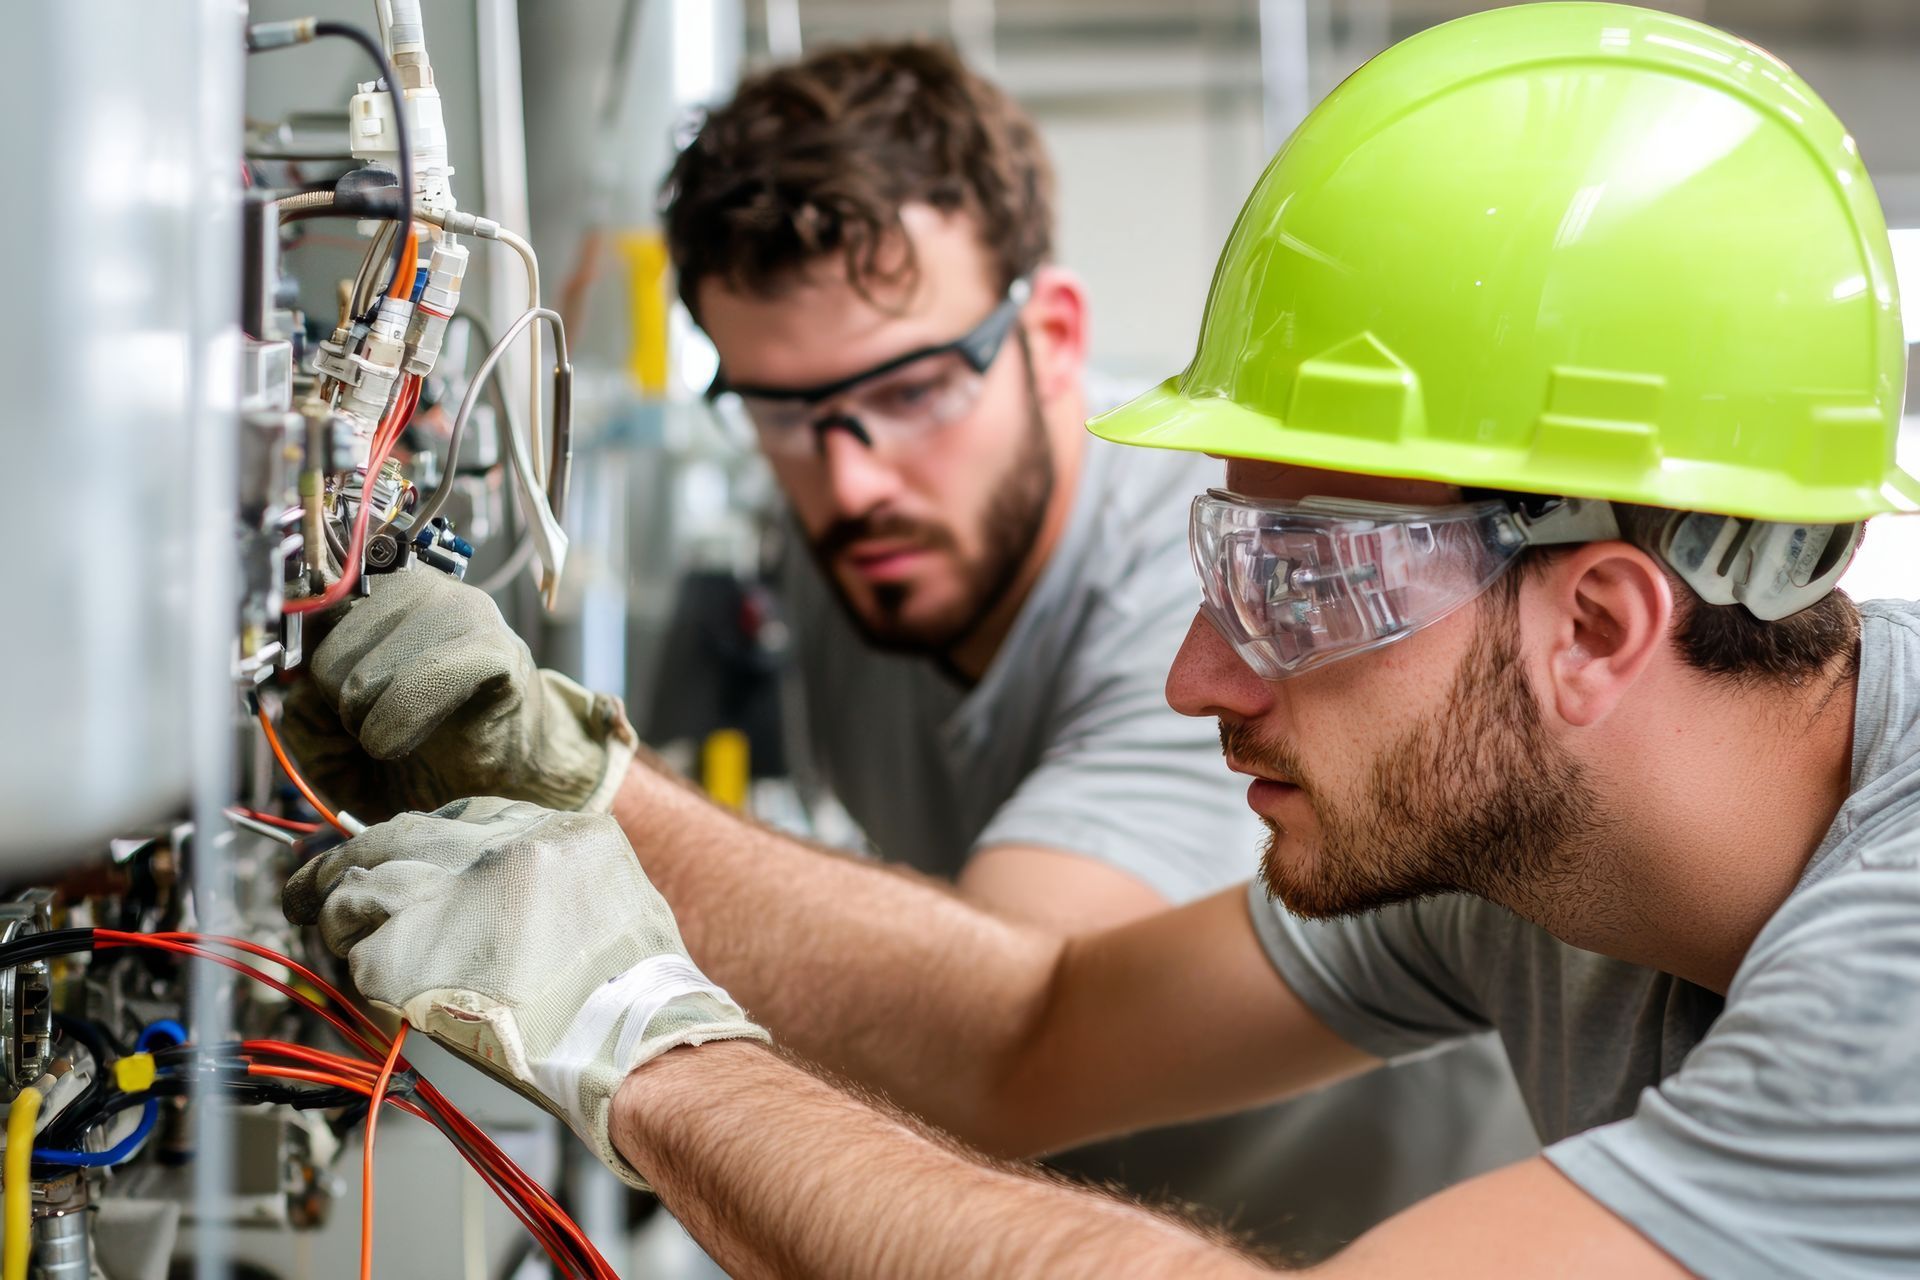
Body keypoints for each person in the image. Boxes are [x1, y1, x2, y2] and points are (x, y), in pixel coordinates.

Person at [282, 5, 1920, 1277]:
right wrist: (573, 781)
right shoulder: (1532, 865)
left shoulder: (1891, 1000)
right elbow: (1032, 1034)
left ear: (1601, 626)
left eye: (1303, 583)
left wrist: (644, 1046)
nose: (1196, 672)